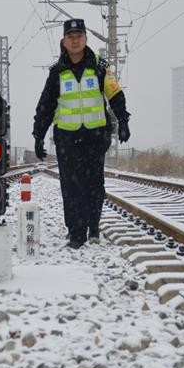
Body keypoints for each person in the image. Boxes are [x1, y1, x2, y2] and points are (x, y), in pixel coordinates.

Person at [32, 18, 130, 249]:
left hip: (95, 137)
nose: (75, 41)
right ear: (64, 41)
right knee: (71, 186)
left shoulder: (100, 67)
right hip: (67, 139)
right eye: (70, 37)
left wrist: (123, 120)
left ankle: (93, 227)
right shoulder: (57, 73)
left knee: (94, 184)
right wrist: (38, 135)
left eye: (79, 36)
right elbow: (45, 105)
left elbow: (115, 94)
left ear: (86, 39)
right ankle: (76, 232)